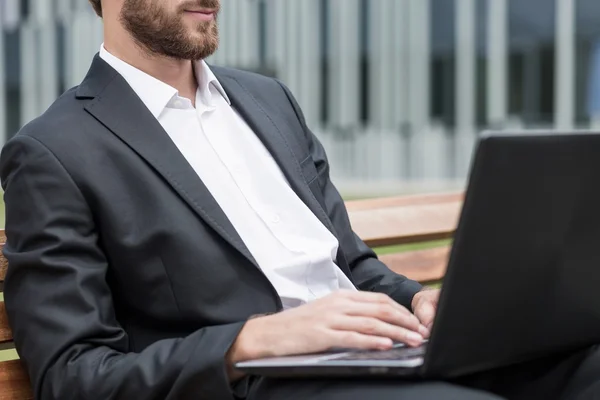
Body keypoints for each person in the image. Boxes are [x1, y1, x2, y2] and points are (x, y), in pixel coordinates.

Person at [0, 0, 598, 399]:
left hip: (380, 355)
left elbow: (352, 264)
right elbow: (72, 374)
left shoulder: (266, 100)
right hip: (271, 383)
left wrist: (421, 302)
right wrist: (253, 340)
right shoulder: (53, 152)